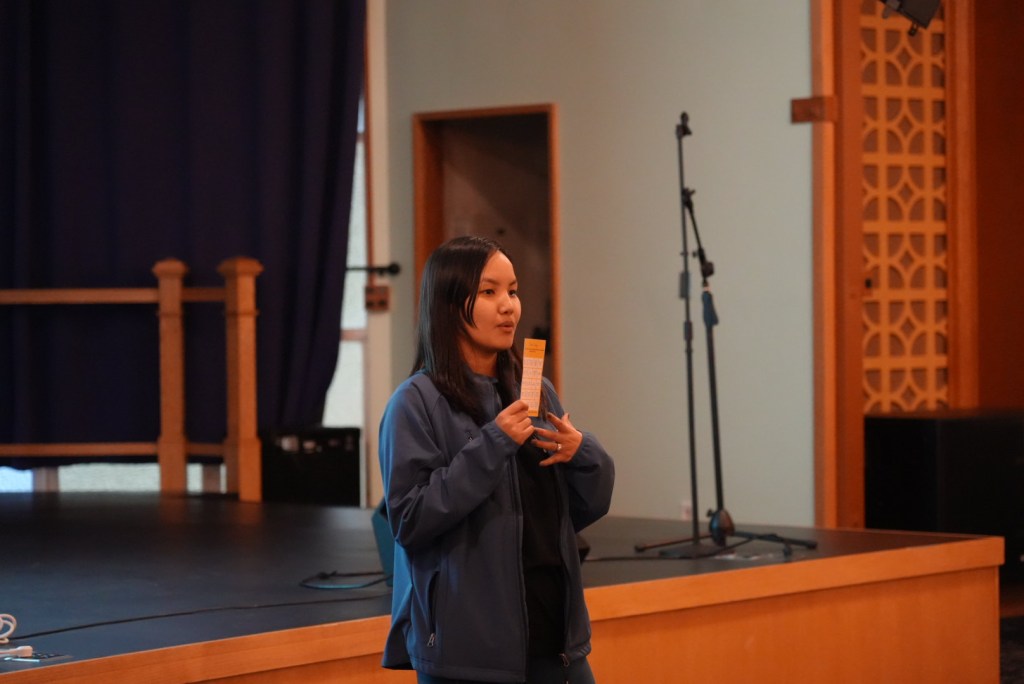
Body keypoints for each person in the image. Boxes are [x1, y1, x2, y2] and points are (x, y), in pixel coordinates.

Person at [378, 235, 615, 684]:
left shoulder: (535, 389)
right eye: (489, 292)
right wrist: (492, 444)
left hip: (558, 647)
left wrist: (582, 453)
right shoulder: (414, 403)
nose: (508, 306)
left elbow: (577, 513)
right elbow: (409, 520)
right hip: (471, 658)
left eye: (513, 290)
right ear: (449, 304)